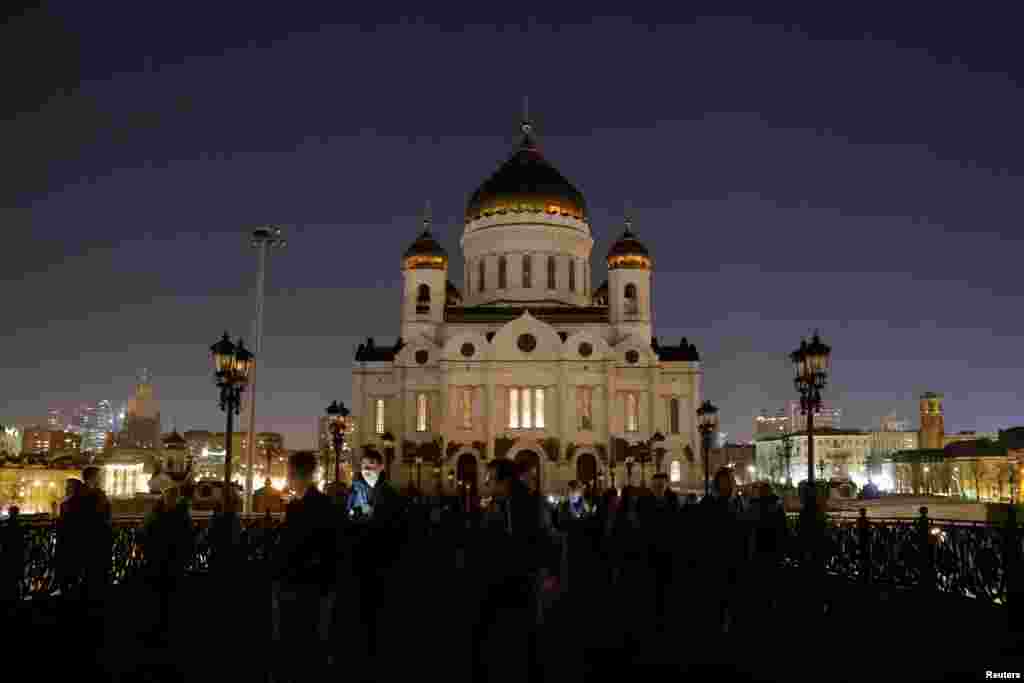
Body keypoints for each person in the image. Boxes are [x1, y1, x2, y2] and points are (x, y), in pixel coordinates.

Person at [470, 459, 560, 683]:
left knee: (526, 630)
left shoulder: (530, 503)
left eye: (491, 478)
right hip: (502, 577)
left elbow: (547, 539)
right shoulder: (497, 504)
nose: (487, 482)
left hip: (525, 576)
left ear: (505, 480)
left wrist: (549, 572)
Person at [272, 451, 340, 681]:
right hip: (317, 585)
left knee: (298, 643)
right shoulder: (324, 504)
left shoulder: (299, 508)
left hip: (300, 587)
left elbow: (292, 550)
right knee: (313, 644)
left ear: (294, 474)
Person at [140, 476, 195, 645]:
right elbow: (188, 538)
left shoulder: (157, 515)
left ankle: (159, 629)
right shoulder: (181, 516)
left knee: (162, 596)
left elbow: (145, 534)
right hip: (170, 561)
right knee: (167, 595)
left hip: (162, 561)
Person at [699, 467, 746, 634]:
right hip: (716, 559)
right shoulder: (709, 503)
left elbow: (743, 528)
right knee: (717, 598)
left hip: (735, 557)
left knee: (732, 598)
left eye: (729, 481)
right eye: (724, 481)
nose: (727, 484)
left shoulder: (737, 502)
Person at [638, 473, 681, 636]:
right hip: (650, 551)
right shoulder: (644, 501)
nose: (657, 489)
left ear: (666, 485)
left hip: (668, 552)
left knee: (667, 586)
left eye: (661, 486)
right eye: (655, 486)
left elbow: (677, 524)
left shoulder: (673, 500)